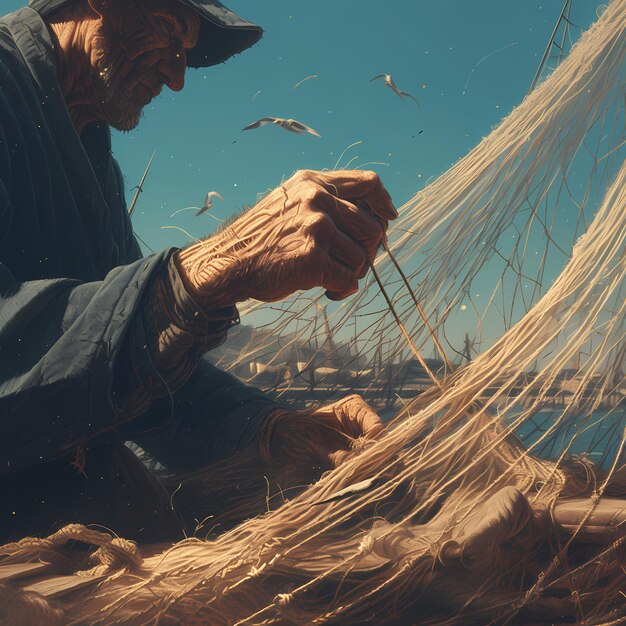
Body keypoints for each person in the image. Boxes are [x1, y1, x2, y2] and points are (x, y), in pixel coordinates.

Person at [0, 0, 396, 543]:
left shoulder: (96, 169)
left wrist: (267, 429)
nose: (177, 76)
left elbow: (131, 369)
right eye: (169, 32)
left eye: (185, 50)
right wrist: (213, 265)